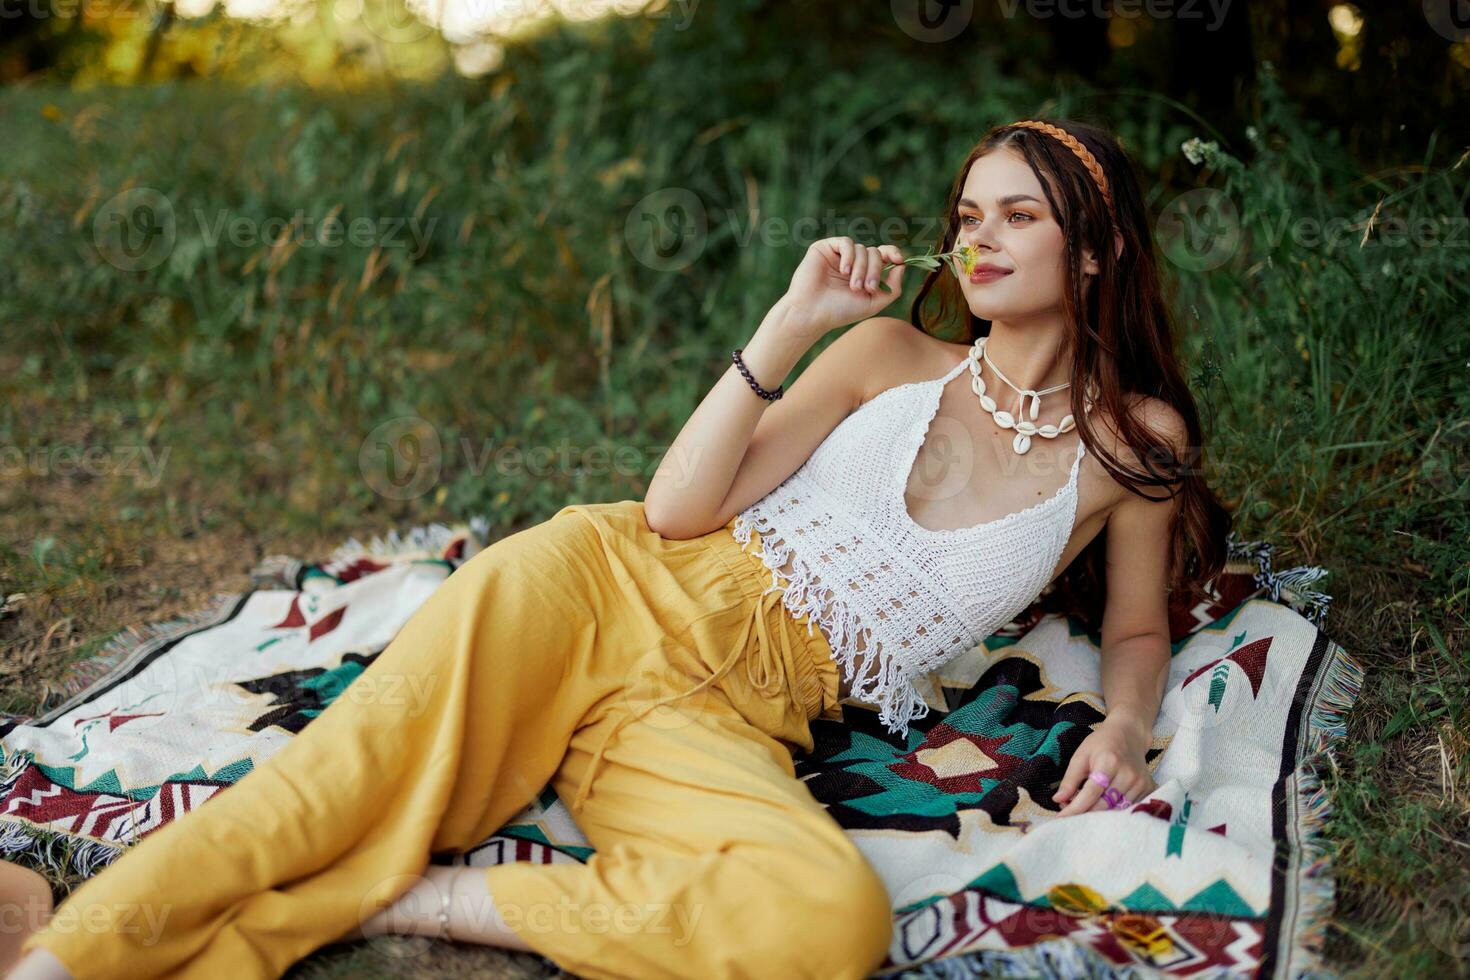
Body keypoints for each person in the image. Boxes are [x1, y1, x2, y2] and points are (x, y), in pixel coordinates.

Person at [8, 117, 1230, 980]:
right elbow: (676, 509)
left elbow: (1134, 625)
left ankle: (413, 893)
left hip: (737, 713)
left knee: (825, 921)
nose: (981, 237)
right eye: (969, 214)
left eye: (1021, 214)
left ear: (1097, 246)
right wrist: (791, 319)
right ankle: (66, 958)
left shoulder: (1137, 442)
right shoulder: (883, 360)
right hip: (602, 584)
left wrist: (1122, 724)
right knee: (333, 783)